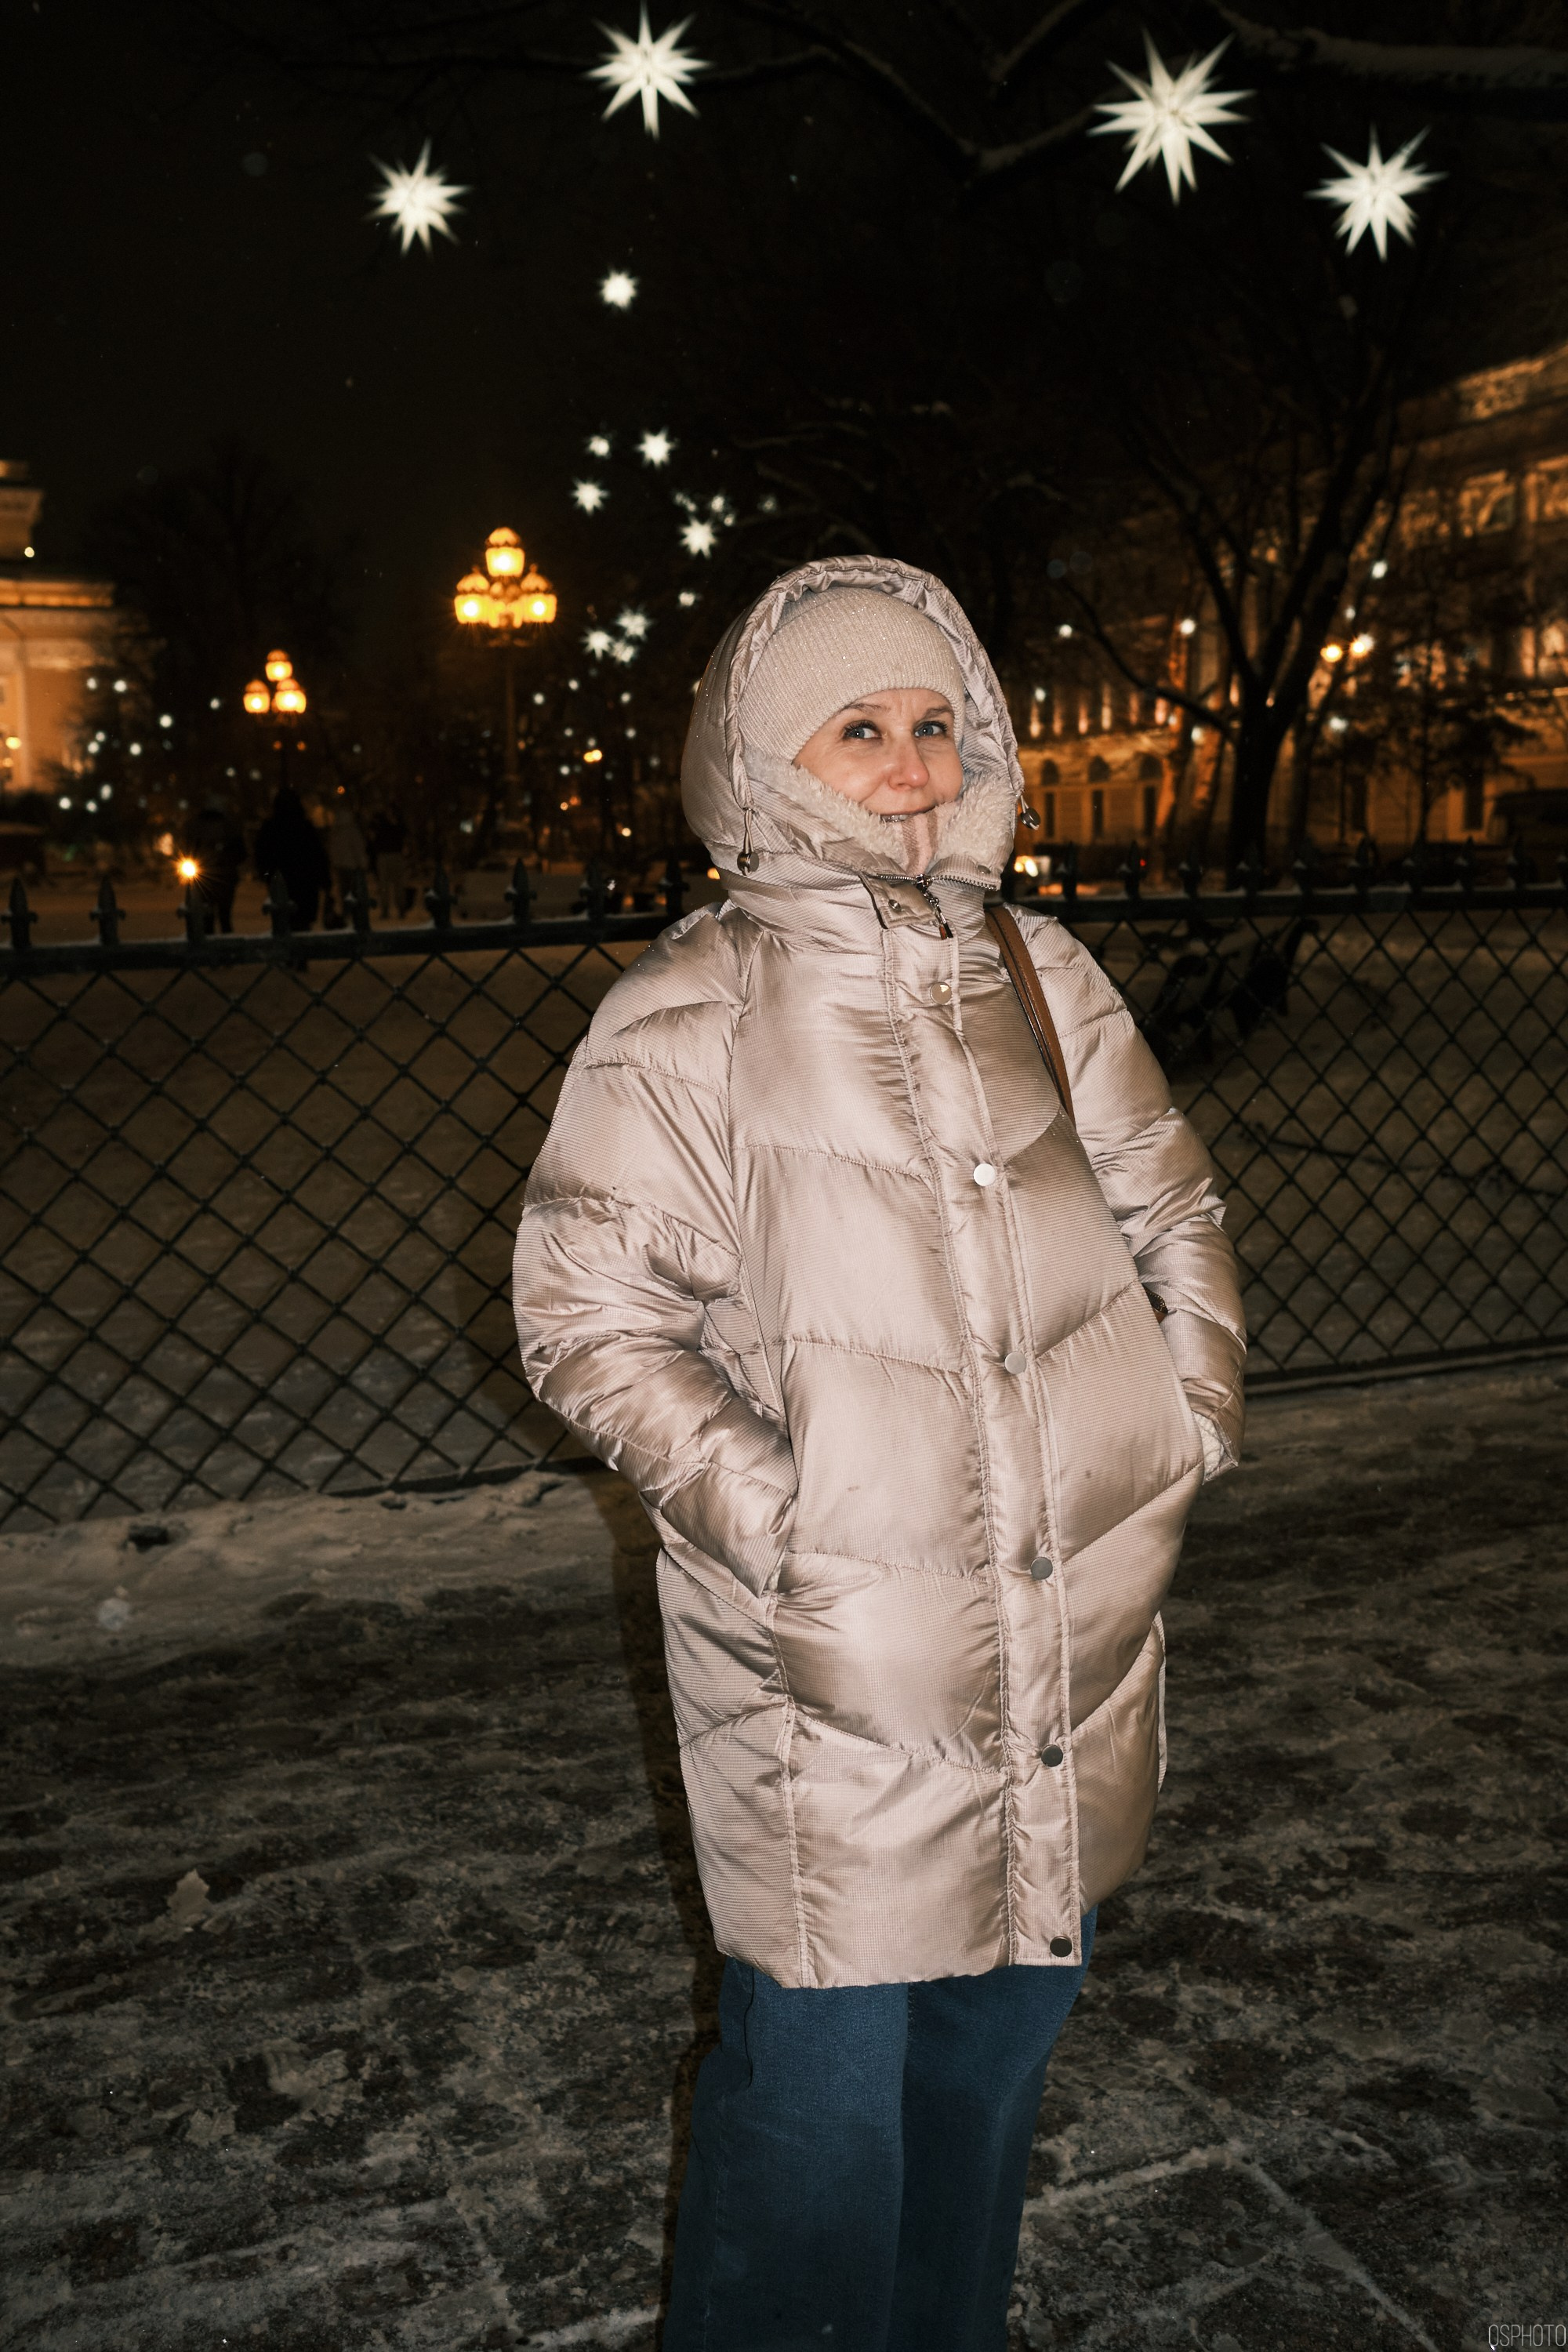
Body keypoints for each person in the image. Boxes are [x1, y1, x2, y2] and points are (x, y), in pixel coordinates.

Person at [512, 560, 1247, 2350]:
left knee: (995, 2050)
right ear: (769, 757)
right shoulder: (690, 1011)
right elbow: (588, 1317)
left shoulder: (1036, 969)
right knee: (818, 2110)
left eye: (936, 723)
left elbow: (1170, 1203)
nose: (913, 766)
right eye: (860, 728)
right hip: (828, 1674)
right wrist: (799, 1523)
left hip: (1067, 1628)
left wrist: (1182, 1416)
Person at [252, 784, 330, 931]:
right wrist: (325, 881)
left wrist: (266, 875)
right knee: (302, 926)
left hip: (281, 882)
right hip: (305, 883)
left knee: (282, 924)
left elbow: (262, 856)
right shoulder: (305, 827)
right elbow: (318, 856)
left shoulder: (271, 828)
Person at [186, 798, 245, 934]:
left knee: (213, 917)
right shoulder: (229, 826)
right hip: (217, 876)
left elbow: (190, 848)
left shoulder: (199, 826)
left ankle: (216, 941)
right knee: (222, 917)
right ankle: (223, 942)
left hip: (211, 876)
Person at [327, 797, 368, 926]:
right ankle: (355, 913)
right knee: (354, 891)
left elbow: (333, 849)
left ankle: (347, 912)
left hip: (341, 866)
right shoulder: (351, 830)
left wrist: (335, 862)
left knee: (345, 892)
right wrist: (362, 863)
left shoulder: (336, 831)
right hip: (352, 866)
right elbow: (358, 848)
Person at [369, 809, 407, 920]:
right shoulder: (386, 824)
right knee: (390, 884)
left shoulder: (384, 824)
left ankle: (396, 909)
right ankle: (393, 909)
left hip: (389, 855)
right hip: (390, 855)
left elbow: (374, 840)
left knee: (390, 884)